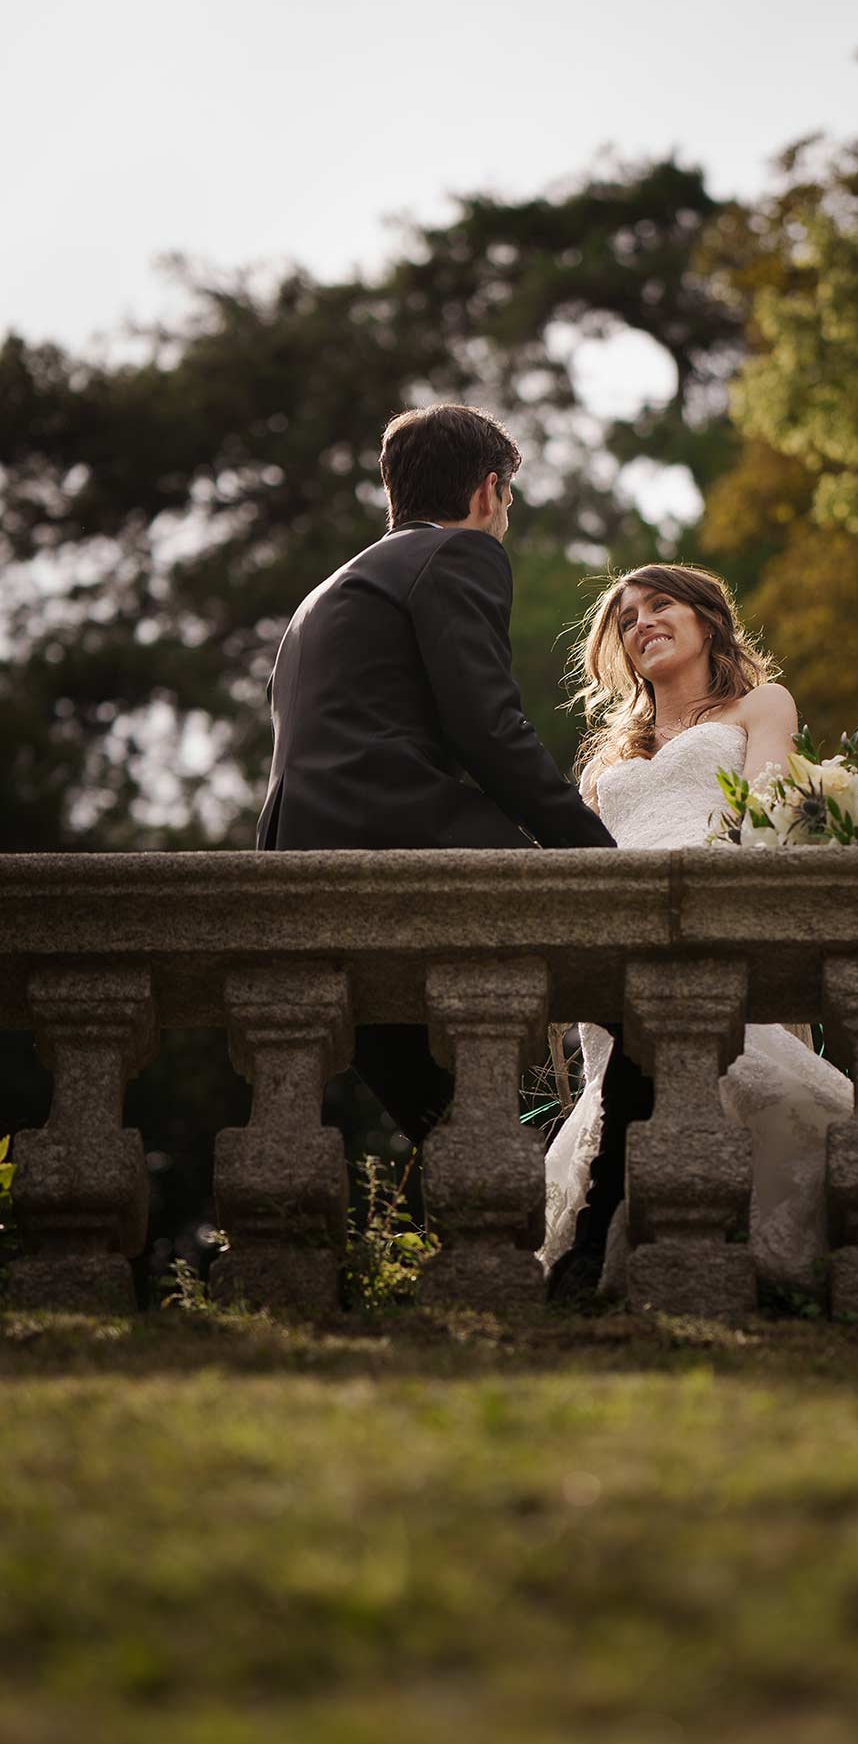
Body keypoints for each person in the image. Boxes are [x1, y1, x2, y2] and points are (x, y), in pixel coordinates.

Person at [542, 563, 858, 1306]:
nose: (641, 621)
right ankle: (618, 1265)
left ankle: (789, 1270)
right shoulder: (607, 760)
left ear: (706, 620)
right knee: (624, 1102)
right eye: (626, 617)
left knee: (747, 1078)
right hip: (618, 941)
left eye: (660, 604)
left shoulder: (757, 706)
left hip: (716, 918)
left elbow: (768, 814)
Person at [256, 402, 651, 1275]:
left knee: (407, 1061)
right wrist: (597, 860)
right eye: (507, 500)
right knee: (648, 991)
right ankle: (591, 1236)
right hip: (401, 825)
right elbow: (490, 730)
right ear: (489, 489)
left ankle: (518, 1208)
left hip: (296, 846)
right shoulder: (459, 553)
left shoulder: (324, 593)